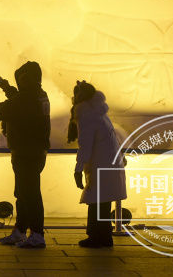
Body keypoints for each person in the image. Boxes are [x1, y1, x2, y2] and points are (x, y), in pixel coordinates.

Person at [0, 61, 50, 248]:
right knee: (24, 193)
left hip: (26, 152)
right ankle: (20, 231)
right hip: (34, 151)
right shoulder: (39, 95)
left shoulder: (28, 97)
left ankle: (37, 234)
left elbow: (5, 109)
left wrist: (5, 99)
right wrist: (6, 86)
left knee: (30, 194)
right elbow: (18, 99)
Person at [67, 80, 127, 248]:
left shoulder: (87, 114)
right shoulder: (99, 112)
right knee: (102, 201)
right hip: (108, 163)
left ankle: (97, 236)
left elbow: (85, 145)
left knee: (96, 201)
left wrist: (78, 169)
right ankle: (104, 236)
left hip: (100, 165)